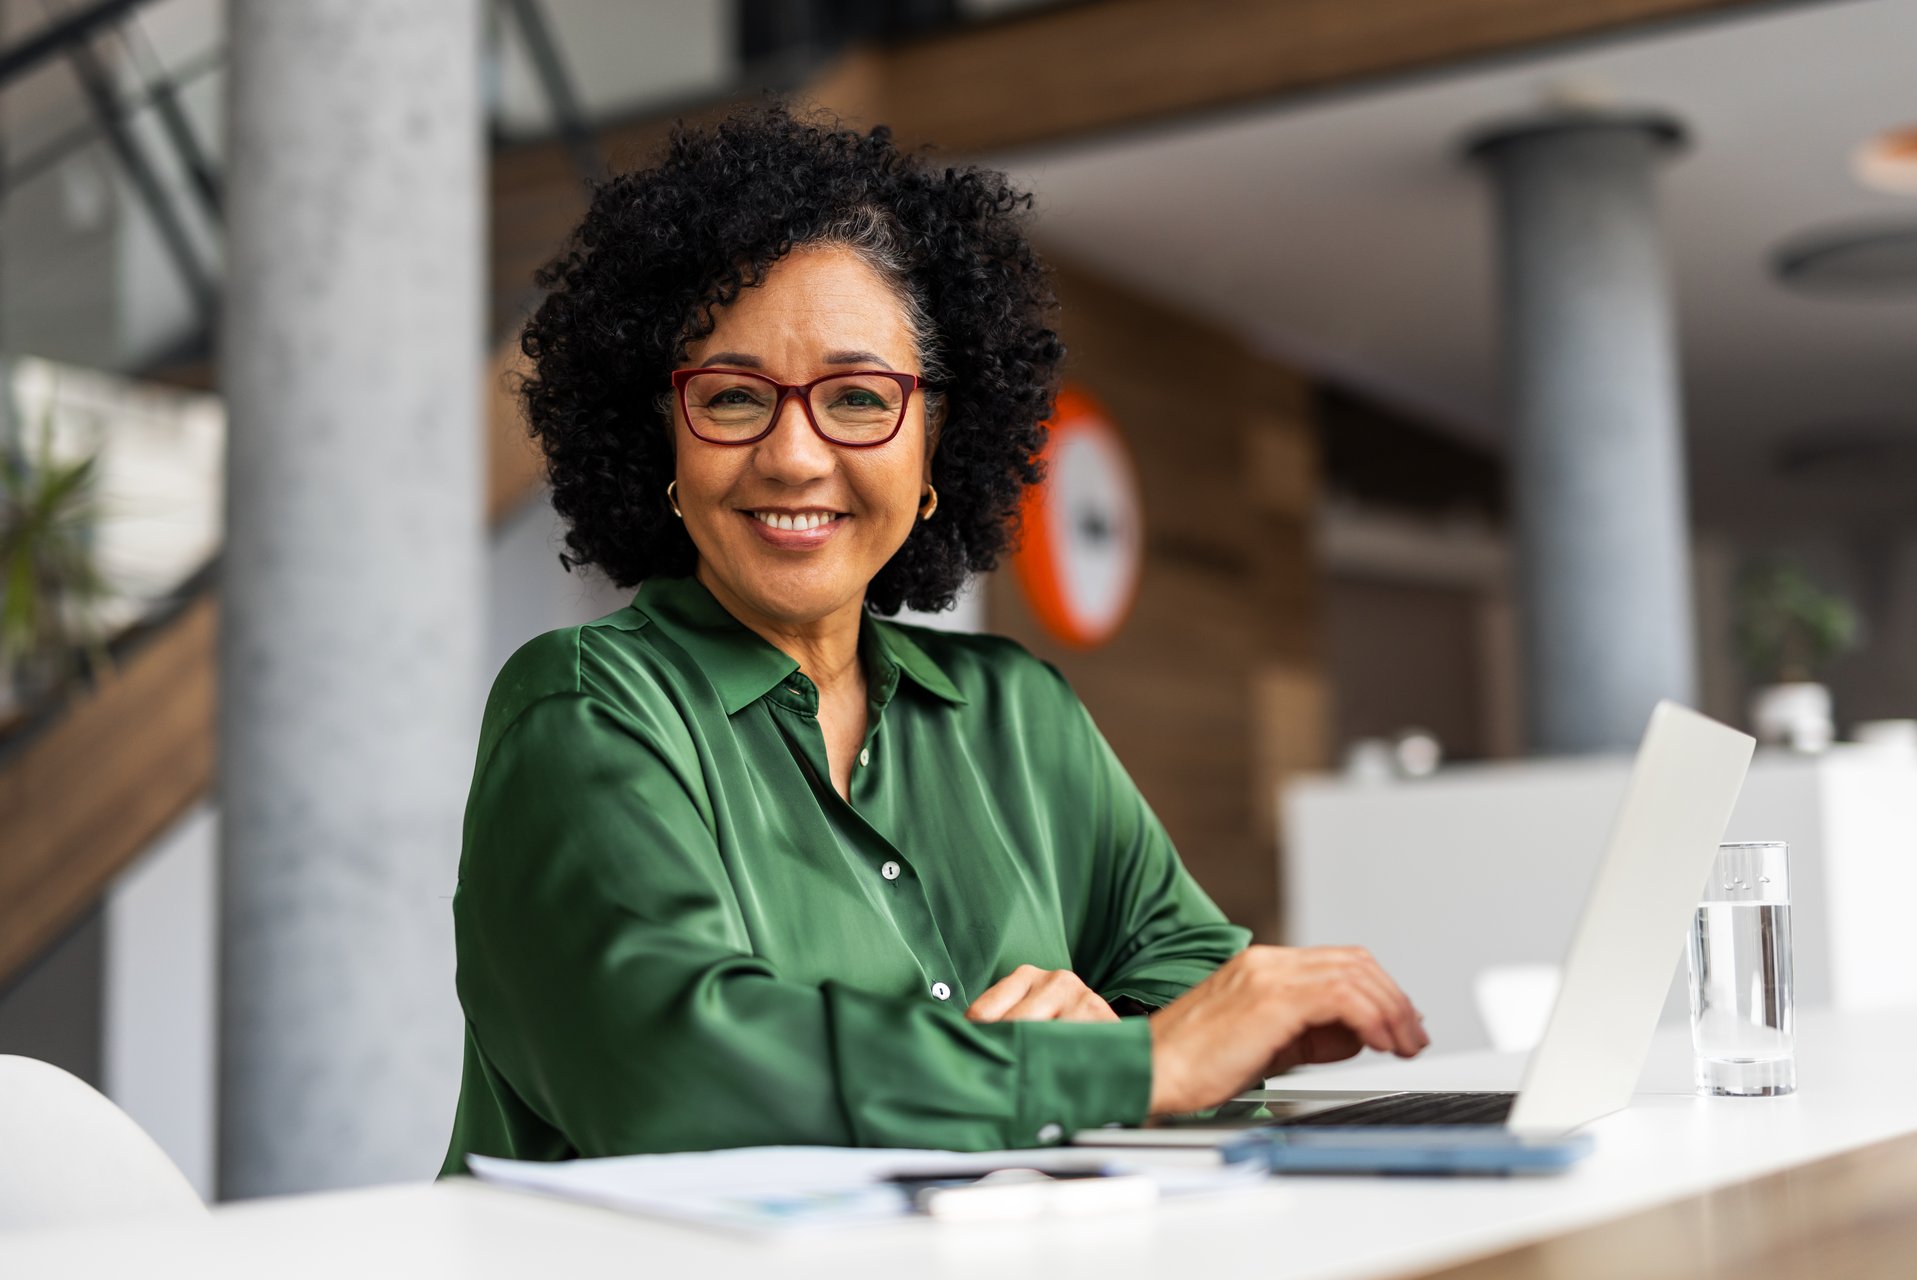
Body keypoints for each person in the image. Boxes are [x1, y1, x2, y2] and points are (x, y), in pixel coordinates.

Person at [439, 106, 1427, 1172]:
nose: (794, 455)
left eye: (859, 398)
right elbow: (666, 1065)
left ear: (934, 444)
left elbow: (1191, 981)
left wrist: (1107, 1027)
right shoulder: (586, 709)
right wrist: (1115, 1072)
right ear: (661, 439)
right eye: (732, 397)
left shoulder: (1016, 711)